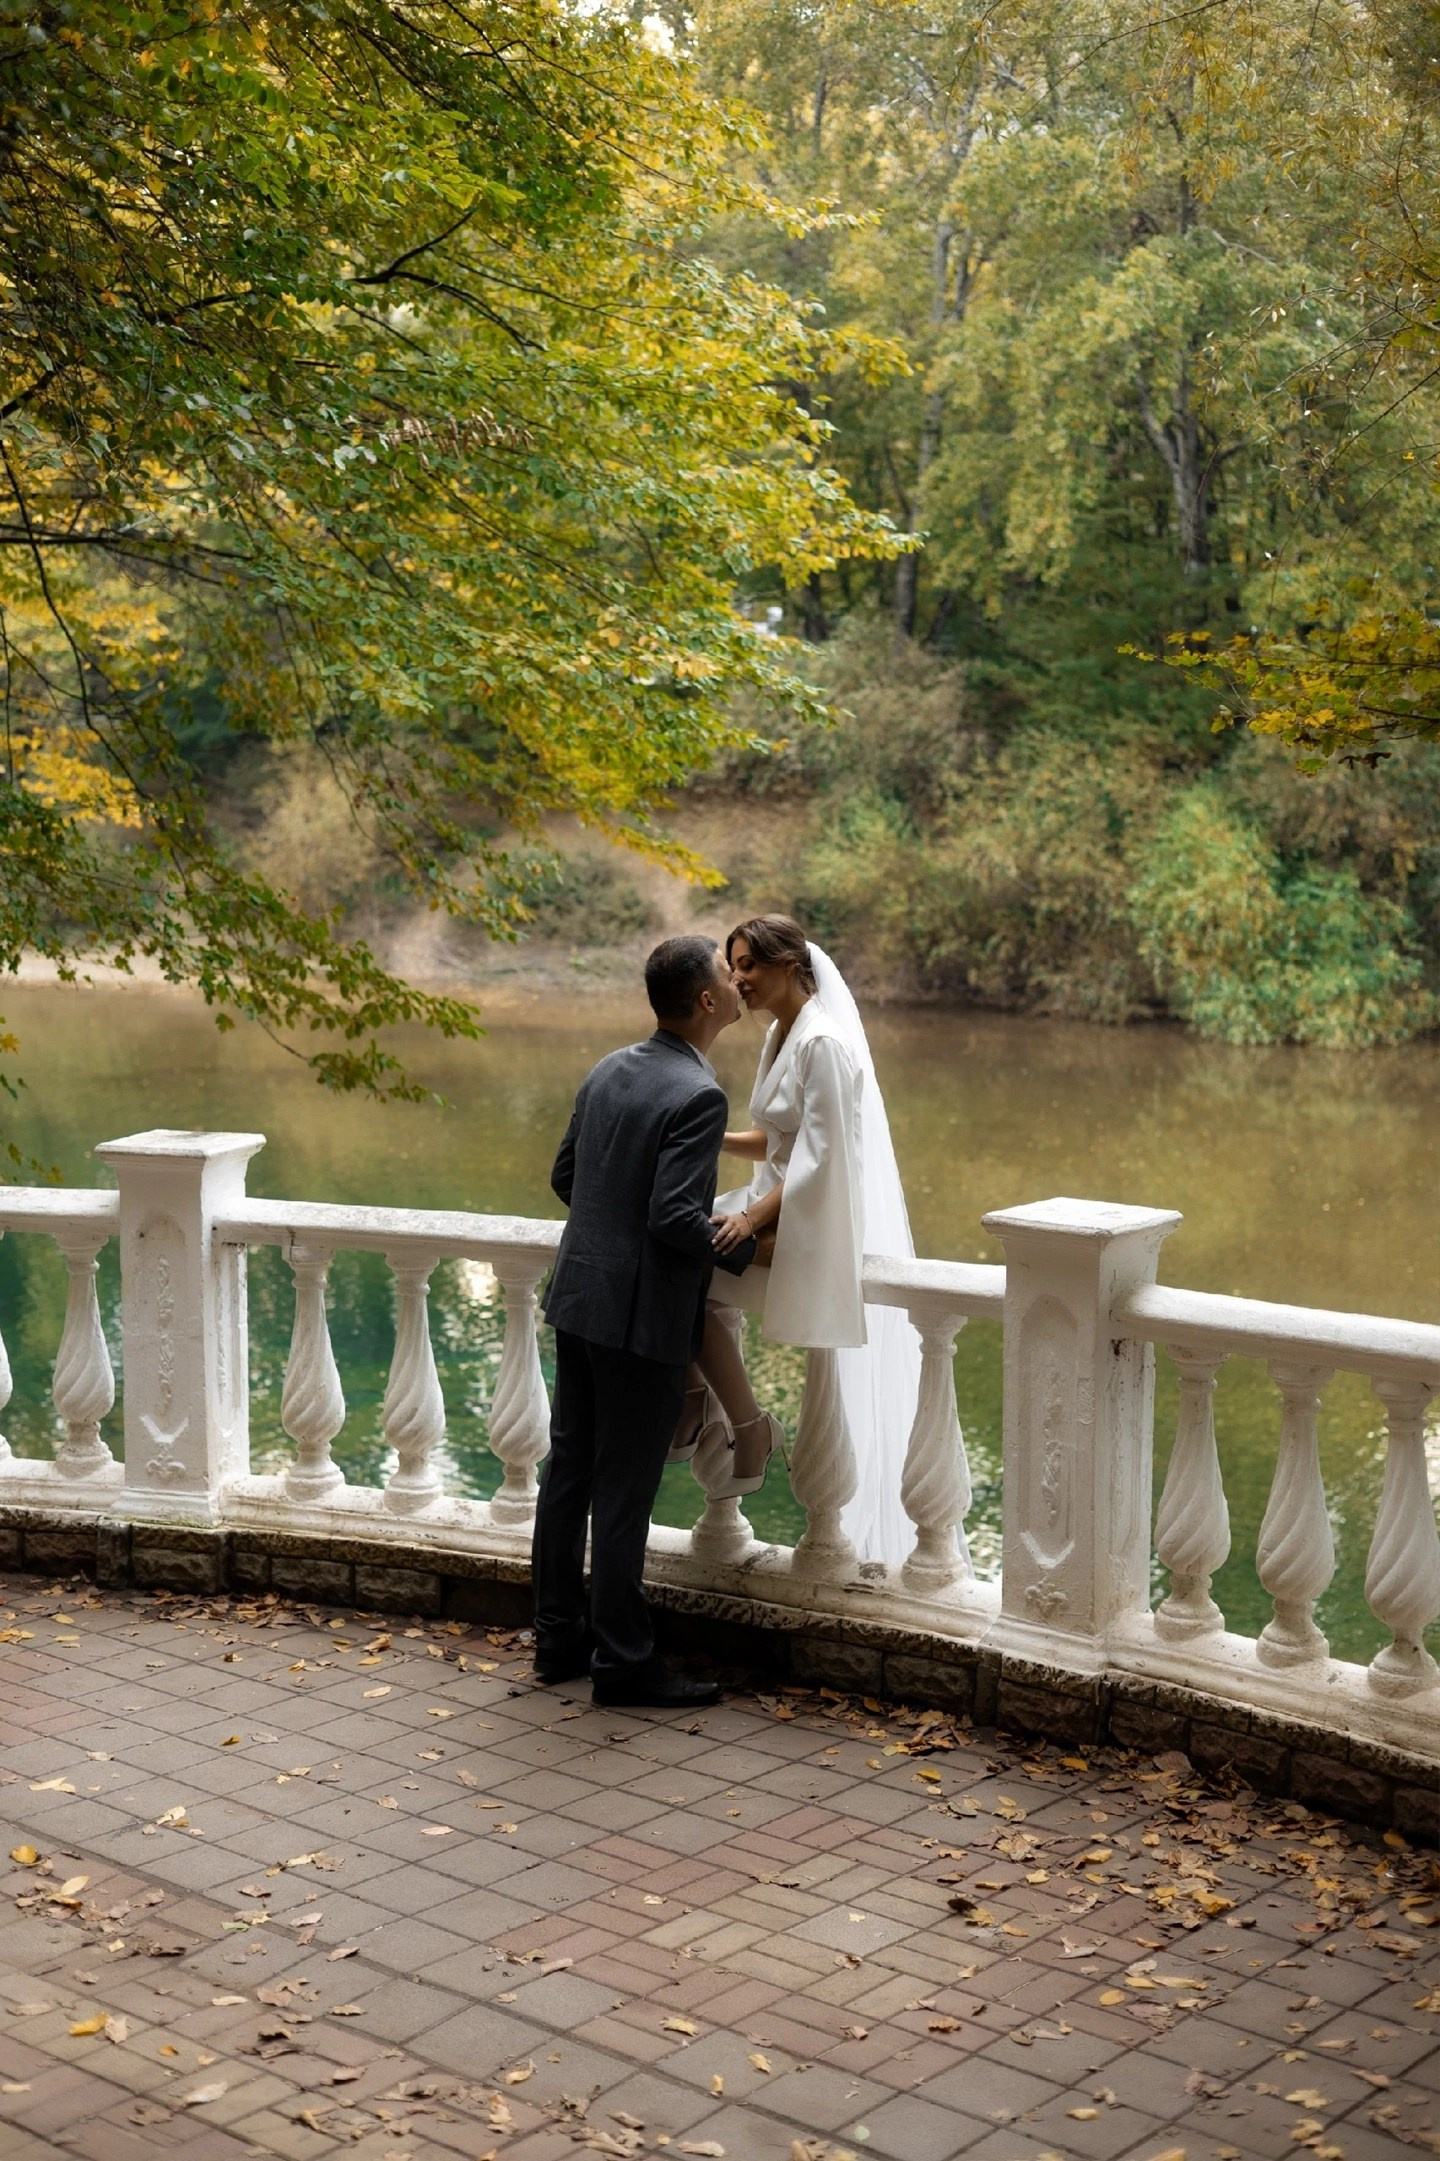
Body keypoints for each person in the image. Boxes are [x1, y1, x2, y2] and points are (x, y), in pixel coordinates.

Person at [532, 934, 756, 1707]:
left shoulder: (608, 1067)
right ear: (707, 1000)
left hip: (579, 1295)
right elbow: (672, 1216)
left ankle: (557, 1638)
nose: (737, 982)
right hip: (638, 1318)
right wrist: (744, 1245)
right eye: (727, 973)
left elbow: (567, 1176)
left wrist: (610, 1234)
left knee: (569, 1471)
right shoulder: (699, 1093)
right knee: (623, 1490)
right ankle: (624, 1661)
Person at [676, 915, 921, 1567]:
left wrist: (750, 1220)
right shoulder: (781, 1034)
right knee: (677, 1252)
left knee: (696, 1262)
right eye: (733, 967)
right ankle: (714, 1406)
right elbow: (779, 1140)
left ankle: (729, 1415)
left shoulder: (825, 1044)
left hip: (812, 1215)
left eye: (749, 965)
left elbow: (822, 1156)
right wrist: (712, 1136)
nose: (738, 980)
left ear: (790, 964)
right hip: (776, 1200)